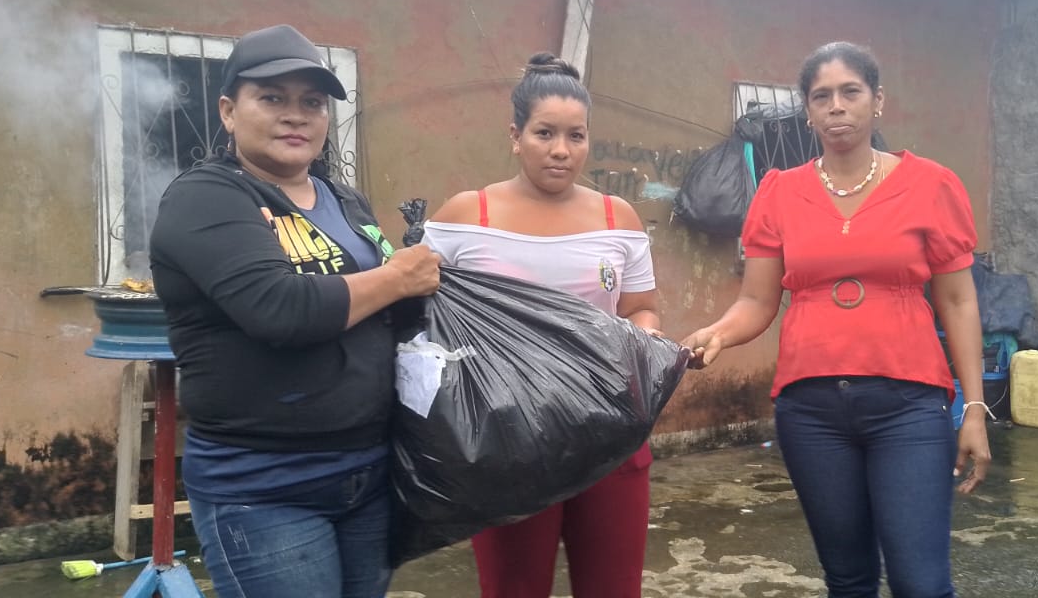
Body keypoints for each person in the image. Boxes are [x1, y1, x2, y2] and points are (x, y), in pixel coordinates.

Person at [682, 41, 992, 598]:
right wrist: (718, 333)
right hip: (812, 413)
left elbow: (959, 301)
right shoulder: (779, 192)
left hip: (909, 407)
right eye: (821, 96)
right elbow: (757, 301)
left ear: (878, 100)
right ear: (808, 110)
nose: (837, 106)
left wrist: (973, 407)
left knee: (920, 582)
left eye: (851, 92)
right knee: (847, 581)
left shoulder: (930, 185)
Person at [150, 24, 441, 598]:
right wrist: (397, 277)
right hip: (264, 486)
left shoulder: (344, 199)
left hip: (367, 475)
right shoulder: (206, 197)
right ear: (229, 111)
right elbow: (280, 309)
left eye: (312, 103)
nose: (295, 116)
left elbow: (386, 311)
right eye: (272, 98)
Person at [422, 52, 662, 598]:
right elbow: (424, 319)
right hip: (507, 443)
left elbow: (641, 309)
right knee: (513, 589)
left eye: (576, 136)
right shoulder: (466, 217)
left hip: (610, 434)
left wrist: (645, 337)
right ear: (516, 136)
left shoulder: (617, 219)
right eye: (545, 133)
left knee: (614, 589)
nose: (561, 150)